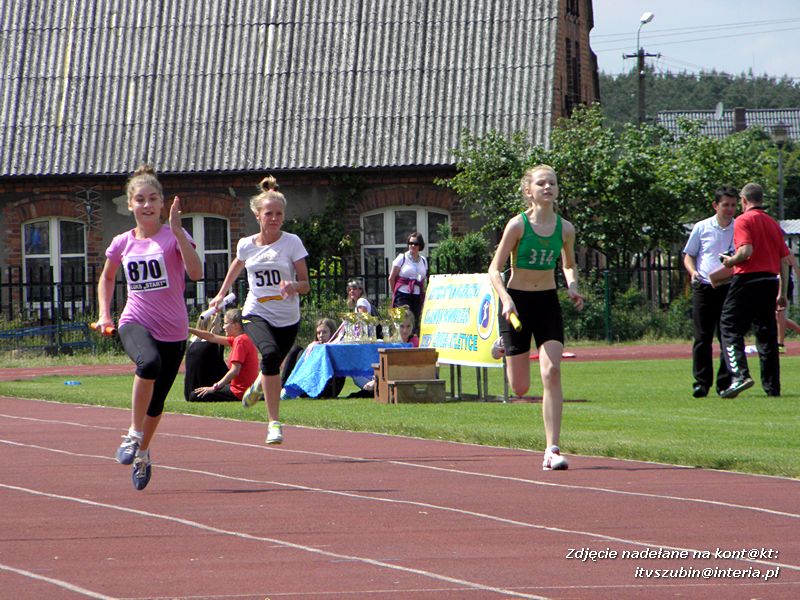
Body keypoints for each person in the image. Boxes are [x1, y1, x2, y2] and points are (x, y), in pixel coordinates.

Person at [96, 164, 203, 490]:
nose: (146, 205)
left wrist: (178, 231)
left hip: (173, 329)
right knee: (148, 363)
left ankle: (142, 453)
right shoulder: (122, 242)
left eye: (152, 198)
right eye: (140, 199)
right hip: (135, 320)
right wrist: (105, 314)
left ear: (162, 203)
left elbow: (196, 273)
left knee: (156, 404)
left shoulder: (175, 236)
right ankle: (132, 434)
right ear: (130, 204)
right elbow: (107, 277)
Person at [488, 164, 584, 471]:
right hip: (517, 303)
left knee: (552, 371)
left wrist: (572, 286)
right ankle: (503, 346)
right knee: (519, 388)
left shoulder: (565, 229)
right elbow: (494, 269)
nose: (548, 187)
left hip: (547, 302)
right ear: (528, 191)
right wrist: (506, 300)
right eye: (541, 183)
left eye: (552, 183)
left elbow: (568, 264)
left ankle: (552, 449)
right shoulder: (517, 225)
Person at [209, 176, 309, 444]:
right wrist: (220, 294)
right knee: (270, 354)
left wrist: (293, 286)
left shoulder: (292, 243)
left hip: (287, 318)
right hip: (256, 312)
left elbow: (306, 284)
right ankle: (274, 423)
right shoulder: (246, 245)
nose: (274, 218)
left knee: (272, 364)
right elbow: (236, 266)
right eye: (268, 214)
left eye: (279, 214)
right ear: (257, 215)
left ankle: (258, 384)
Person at [719, 183, 790, 398]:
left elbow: (746, 251)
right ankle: (772, 386)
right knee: (766, 332)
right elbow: (784, 260)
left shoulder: (743, 220)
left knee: (729, 325)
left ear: (743, 200)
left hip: (747, 278)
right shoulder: (772, 223)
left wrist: (731, 261)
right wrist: (782, 292)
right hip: (770, 280)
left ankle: (740, 375)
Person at [682, 186, 737, 398]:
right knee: (702, 337)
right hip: (704, 287)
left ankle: (725, 383)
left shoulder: (739, 227)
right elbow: (689, 254)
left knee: (726, 336)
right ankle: (701, 383)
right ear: (715, 205)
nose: (730, 209)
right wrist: (693, 272)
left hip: (729, 286)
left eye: (733, 205)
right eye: (725, 205)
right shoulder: (702, 227)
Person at [186, 308, 259, 402]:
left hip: (240, 392)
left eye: (225, 323)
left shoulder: (240, 341)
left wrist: (214, 387)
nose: (223, 327)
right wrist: (188, 329)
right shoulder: (240, 339)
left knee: (194, 395)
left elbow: (235, 370)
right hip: (242, 389)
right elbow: (211, 337)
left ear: (236, 325)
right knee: (201, 392)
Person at [280, 318, 345, 398]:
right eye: (318, 333)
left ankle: (284, 389)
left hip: (327, 389)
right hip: (310, 386)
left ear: (332, 333)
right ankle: (281, 387)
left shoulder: (335, 348)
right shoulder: (315, 346)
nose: (321, 335)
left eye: (324, 332)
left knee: (299, 352)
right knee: (295, 349)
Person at [388, 232, 427, 333]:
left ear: (420, 245)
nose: (412, 245)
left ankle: (412, 341)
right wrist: (395, 292)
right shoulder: (402, 258)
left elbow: (423, 280)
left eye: (415, 243)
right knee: (402, 320)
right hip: (403, 294)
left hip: (417, 295)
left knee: (414, 322)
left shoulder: (423, 260)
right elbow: (391, 278)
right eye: (410, 243)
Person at [777, 251, 800, 352]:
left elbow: (796, 269)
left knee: (779, 314)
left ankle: (780, 344)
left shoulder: (787, 251)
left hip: (784, 285)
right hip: (771, 283)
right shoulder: (769, 249)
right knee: (775, 316)